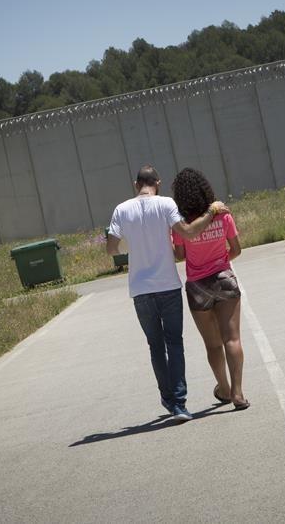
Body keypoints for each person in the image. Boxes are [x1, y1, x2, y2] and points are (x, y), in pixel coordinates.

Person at [106, 165, 227, 422]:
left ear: (135, 184)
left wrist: (133, 244)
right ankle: (180, 403)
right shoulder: (166, 204)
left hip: (140, 289)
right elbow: (189, 232)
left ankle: (168, 398)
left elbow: (111, 248)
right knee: (175, 344)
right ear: (157, 183)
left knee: (156, 347)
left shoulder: (121, 209)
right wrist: (211, 211)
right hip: (168, 285)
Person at [170, 168, 249, 410]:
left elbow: (180, 256)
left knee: (213, 344)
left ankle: (223, 388)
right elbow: (236, 249)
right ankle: (238, 393)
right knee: (232, 338)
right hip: (224, 277)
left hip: (197, 286)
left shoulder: (183, 225)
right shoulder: (223, 216)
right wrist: (222, 260)